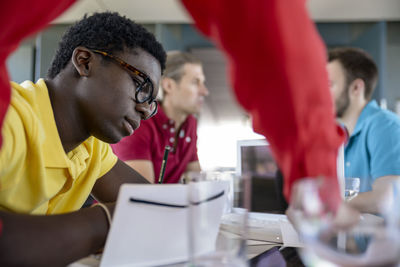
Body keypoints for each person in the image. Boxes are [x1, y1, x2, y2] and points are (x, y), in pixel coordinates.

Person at [0, 11, 166, 265]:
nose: (145, 109)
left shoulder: (90, 148)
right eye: (140, 85)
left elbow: (155, 206)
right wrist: (108, 221)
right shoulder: (9, 118)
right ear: (85, 62)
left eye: (152, 102)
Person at [111, 51, 209, 183]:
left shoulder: (189, 123)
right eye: (195, 82)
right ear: (169, 85)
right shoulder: (140, 121)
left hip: (163, 203)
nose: (204, 91)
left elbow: (197, 182)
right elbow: (143, 195)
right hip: (122, 203)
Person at [327, 47, 400, 213]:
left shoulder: (384, 125)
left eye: (329, 85)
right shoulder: (342, 134)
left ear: (356, 88)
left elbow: (387, 197)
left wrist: (325, 204)